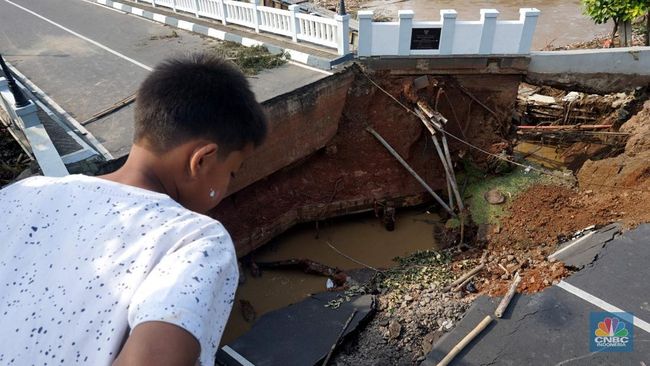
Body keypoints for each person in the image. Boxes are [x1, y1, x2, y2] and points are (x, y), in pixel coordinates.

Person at [0, 53, 267, 366]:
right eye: (232, 172)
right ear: (202, 160)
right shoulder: (196, 240)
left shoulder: (21, 194)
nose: (227, 186)